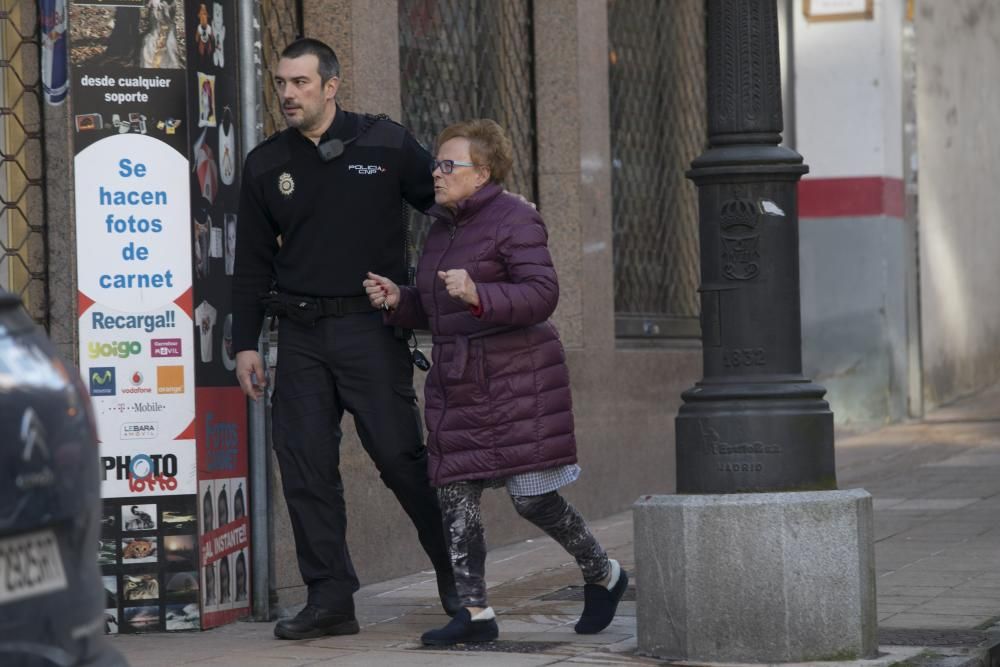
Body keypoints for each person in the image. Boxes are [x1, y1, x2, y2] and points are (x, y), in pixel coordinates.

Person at [363, 119, 628, 646]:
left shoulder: (516, 219)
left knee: (532, 499)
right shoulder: (441, 227)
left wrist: (479, 293)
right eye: (435, 164)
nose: (434, 174)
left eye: (447, 165)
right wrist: (401, 300)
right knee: (454, 494)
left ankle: (604, 572)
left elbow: (541, 295)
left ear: (482, 172)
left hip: (516, 380)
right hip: (458, 380)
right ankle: (475, 613)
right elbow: (441, 307)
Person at [232, 37, 458, 640]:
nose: (287, 94)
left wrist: (445, 278)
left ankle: (459, 575)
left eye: (300, 83)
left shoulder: (386, 144)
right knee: (305, 465)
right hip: (299, 333)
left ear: (331, 86)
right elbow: (251, 261)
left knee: (401, 458)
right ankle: (330, 598)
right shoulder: (265, 163)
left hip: (370, 325)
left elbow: (447, 207)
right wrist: (246, 342)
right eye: (281, 83)